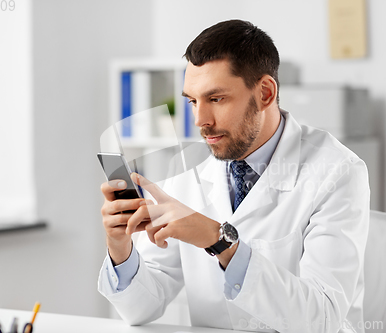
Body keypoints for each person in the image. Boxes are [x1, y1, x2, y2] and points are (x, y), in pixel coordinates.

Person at [98, 19, 369, 333]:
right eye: (192, 101)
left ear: (265, 93)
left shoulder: (337, 171)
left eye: (216, 99)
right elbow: (141, 307)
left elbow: (322, 319)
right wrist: (120, 248)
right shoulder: (188, 170)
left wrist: (220, 241)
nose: (201, 120)